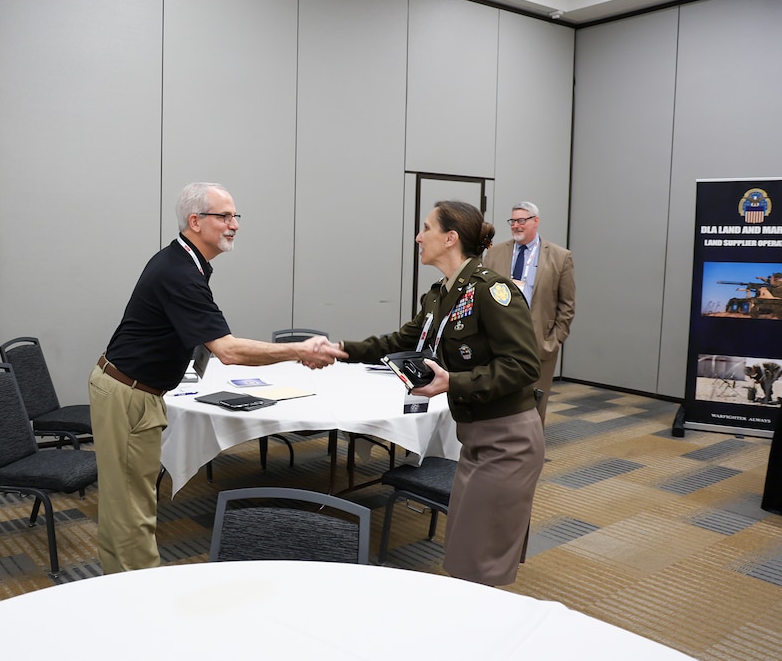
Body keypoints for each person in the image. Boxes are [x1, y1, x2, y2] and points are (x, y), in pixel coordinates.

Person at [88, 182, 346, 574]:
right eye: (224, 216)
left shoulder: (185, 263)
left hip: (132, 389)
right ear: (195, 222)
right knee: (131, 512)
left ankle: (121, 588)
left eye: (235, 216)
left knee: (127, 505)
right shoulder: (180, 272)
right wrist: (299, 351)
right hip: (128, 394)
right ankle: (137, 603)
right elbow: (227, 350)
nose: (234, 225)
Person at [334, 200, 543, 587]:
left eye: (426, 228)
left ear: (450, 238)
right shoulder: (439, 296)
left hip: (508, 440)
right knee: (465, 550)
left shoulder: (491, 291)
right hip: (475, 438)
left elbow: (524, 366)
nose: (418, 236)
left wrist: (453, 383)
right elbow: (397, 341)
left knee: (481, 562)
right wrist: (338, 350)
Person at [484, 201, 575, 422]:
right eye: (513, 221)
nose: (516, 226)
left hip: (539, 344)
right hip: (499, 342)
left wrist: (553, 341)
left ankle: (532, 453)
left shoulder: (560, 257)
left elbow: (567, 306)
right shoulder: (494, 254)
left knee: (534, 406)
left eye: (521, 220)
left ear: (536, 221)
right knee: (498, 404)